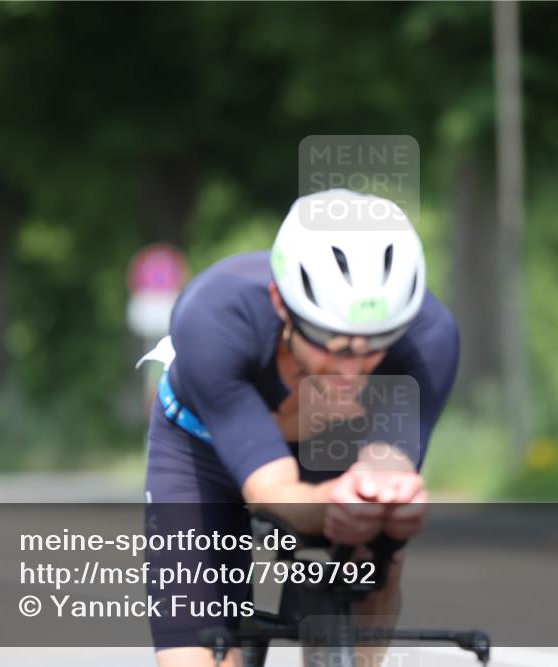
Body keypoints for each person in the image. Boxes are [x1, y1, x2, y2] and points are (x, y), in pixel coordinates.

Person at [140, 189, 460, 666]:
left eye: (377, 345)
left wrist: (382, 500)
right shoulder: (214, 319)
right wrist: (334, 503)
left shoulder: (430, 337)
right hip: (200, 448)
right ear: (282, 305)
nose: (353, 367)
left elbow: (386, 466)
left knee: (377, 548)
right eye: (333, 342)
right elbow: (271, 491)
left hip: (329, 446)